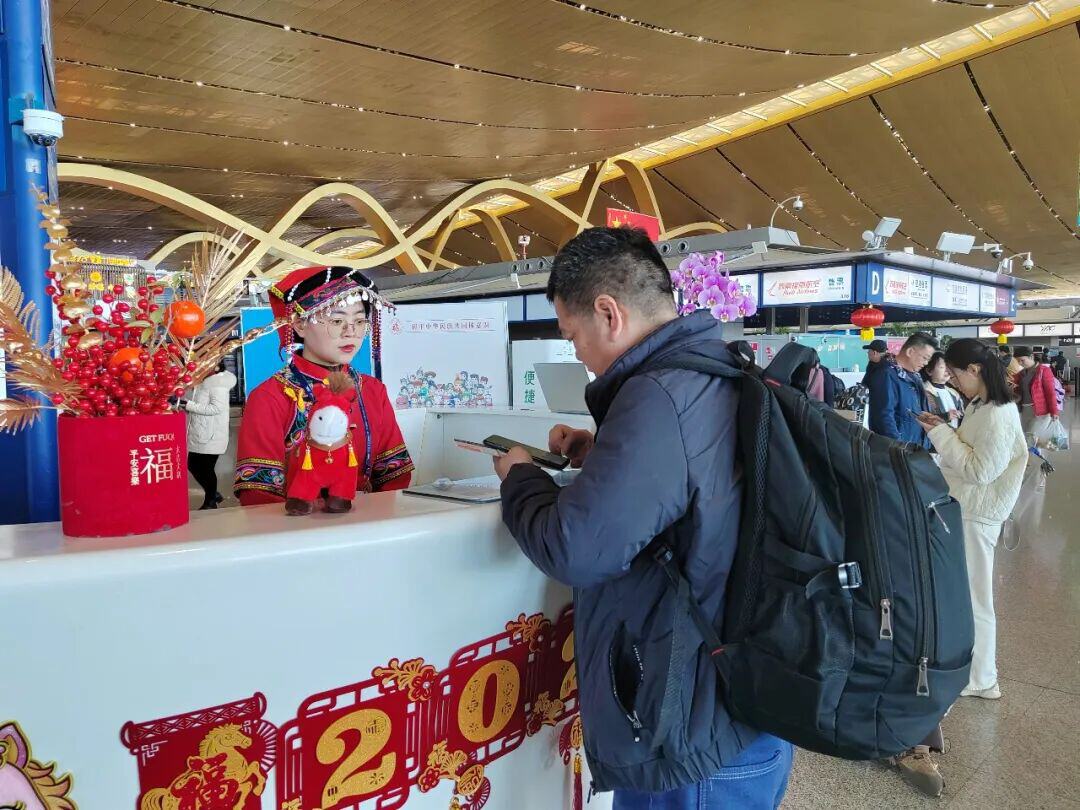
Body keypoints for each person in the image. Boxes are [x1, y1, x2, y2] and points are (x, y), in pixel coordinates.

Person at [493, 227, 793, 808]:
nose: (576, 353)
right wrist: (599, 453)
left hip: (691, 731)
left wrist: (522, 477)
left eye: (572, 335)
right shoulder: (714, 369)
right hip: (741, 712)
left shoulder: (657, 395)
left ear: (609, 314)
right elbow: (691, 489)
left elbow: (576, 549)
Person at [234, 266, 413, 512]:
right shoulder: (271, 396)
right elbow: (258, 495)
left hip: (367, 523)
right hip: (295, 527)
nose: (351, 332)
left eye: (359, 321)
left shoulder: (372, 390)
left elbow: (394, 475)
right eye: (337, 321)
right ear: (299, 325)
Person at [918, 339, 1026, 701]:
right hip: (967, 509)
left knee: (977, 599)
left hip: (978, 515)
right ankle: (975, 673)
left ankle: (982, 678)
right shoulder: (980, 406)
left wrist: (939, 434)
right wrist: (943, 431)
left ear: (975, 370)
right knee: (968, 596)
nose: (952, 380)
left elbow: (980, 471)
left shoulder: (997, 413)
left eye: (955, 373)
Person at [867, 332, 937, 448]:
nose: (925, 363)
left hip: (916, 448)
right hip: (898, 451)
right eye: (925, 358)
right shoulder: (886, 375)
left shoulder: (915, 376)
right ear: (910, 352)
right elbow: (884, 418)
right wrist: (901, 449)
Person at [182, 361, 237, 509]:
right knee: (194, 465)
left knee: (205, 468)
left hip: (212, 434)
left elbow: (216, 408)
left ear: (216, 366)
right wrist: (184, 403)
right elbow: (199, 405)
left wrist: (188, 405)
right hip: (201, 432)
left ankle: (211, 501)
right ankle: (213, 494)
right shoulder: (203, 382)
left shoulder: (217, 384)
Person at [1012, 346, 1059, 447]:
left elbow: (1050, 392)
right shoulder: (1021, 374)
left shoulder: (1044, 370)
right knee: (1027, 438)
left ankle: (1031, 456)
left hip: (1041, 411)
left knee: (1031, 438)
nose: (1020, 363)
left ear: (1031, 357)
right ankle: (1036, 455)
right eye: (1018, 361)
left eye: (1022, 360)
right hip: (1024, 410)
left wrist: (1054, 411)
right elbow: (1018, 391)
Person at [921, 352, 962, 428]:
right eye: (942, 367)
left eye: (948, 367)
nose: (947, 370)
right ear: (929, 371)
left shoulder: (954, 393)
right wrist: (946, 416)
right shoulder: (924, 391)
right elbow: (922, 417)